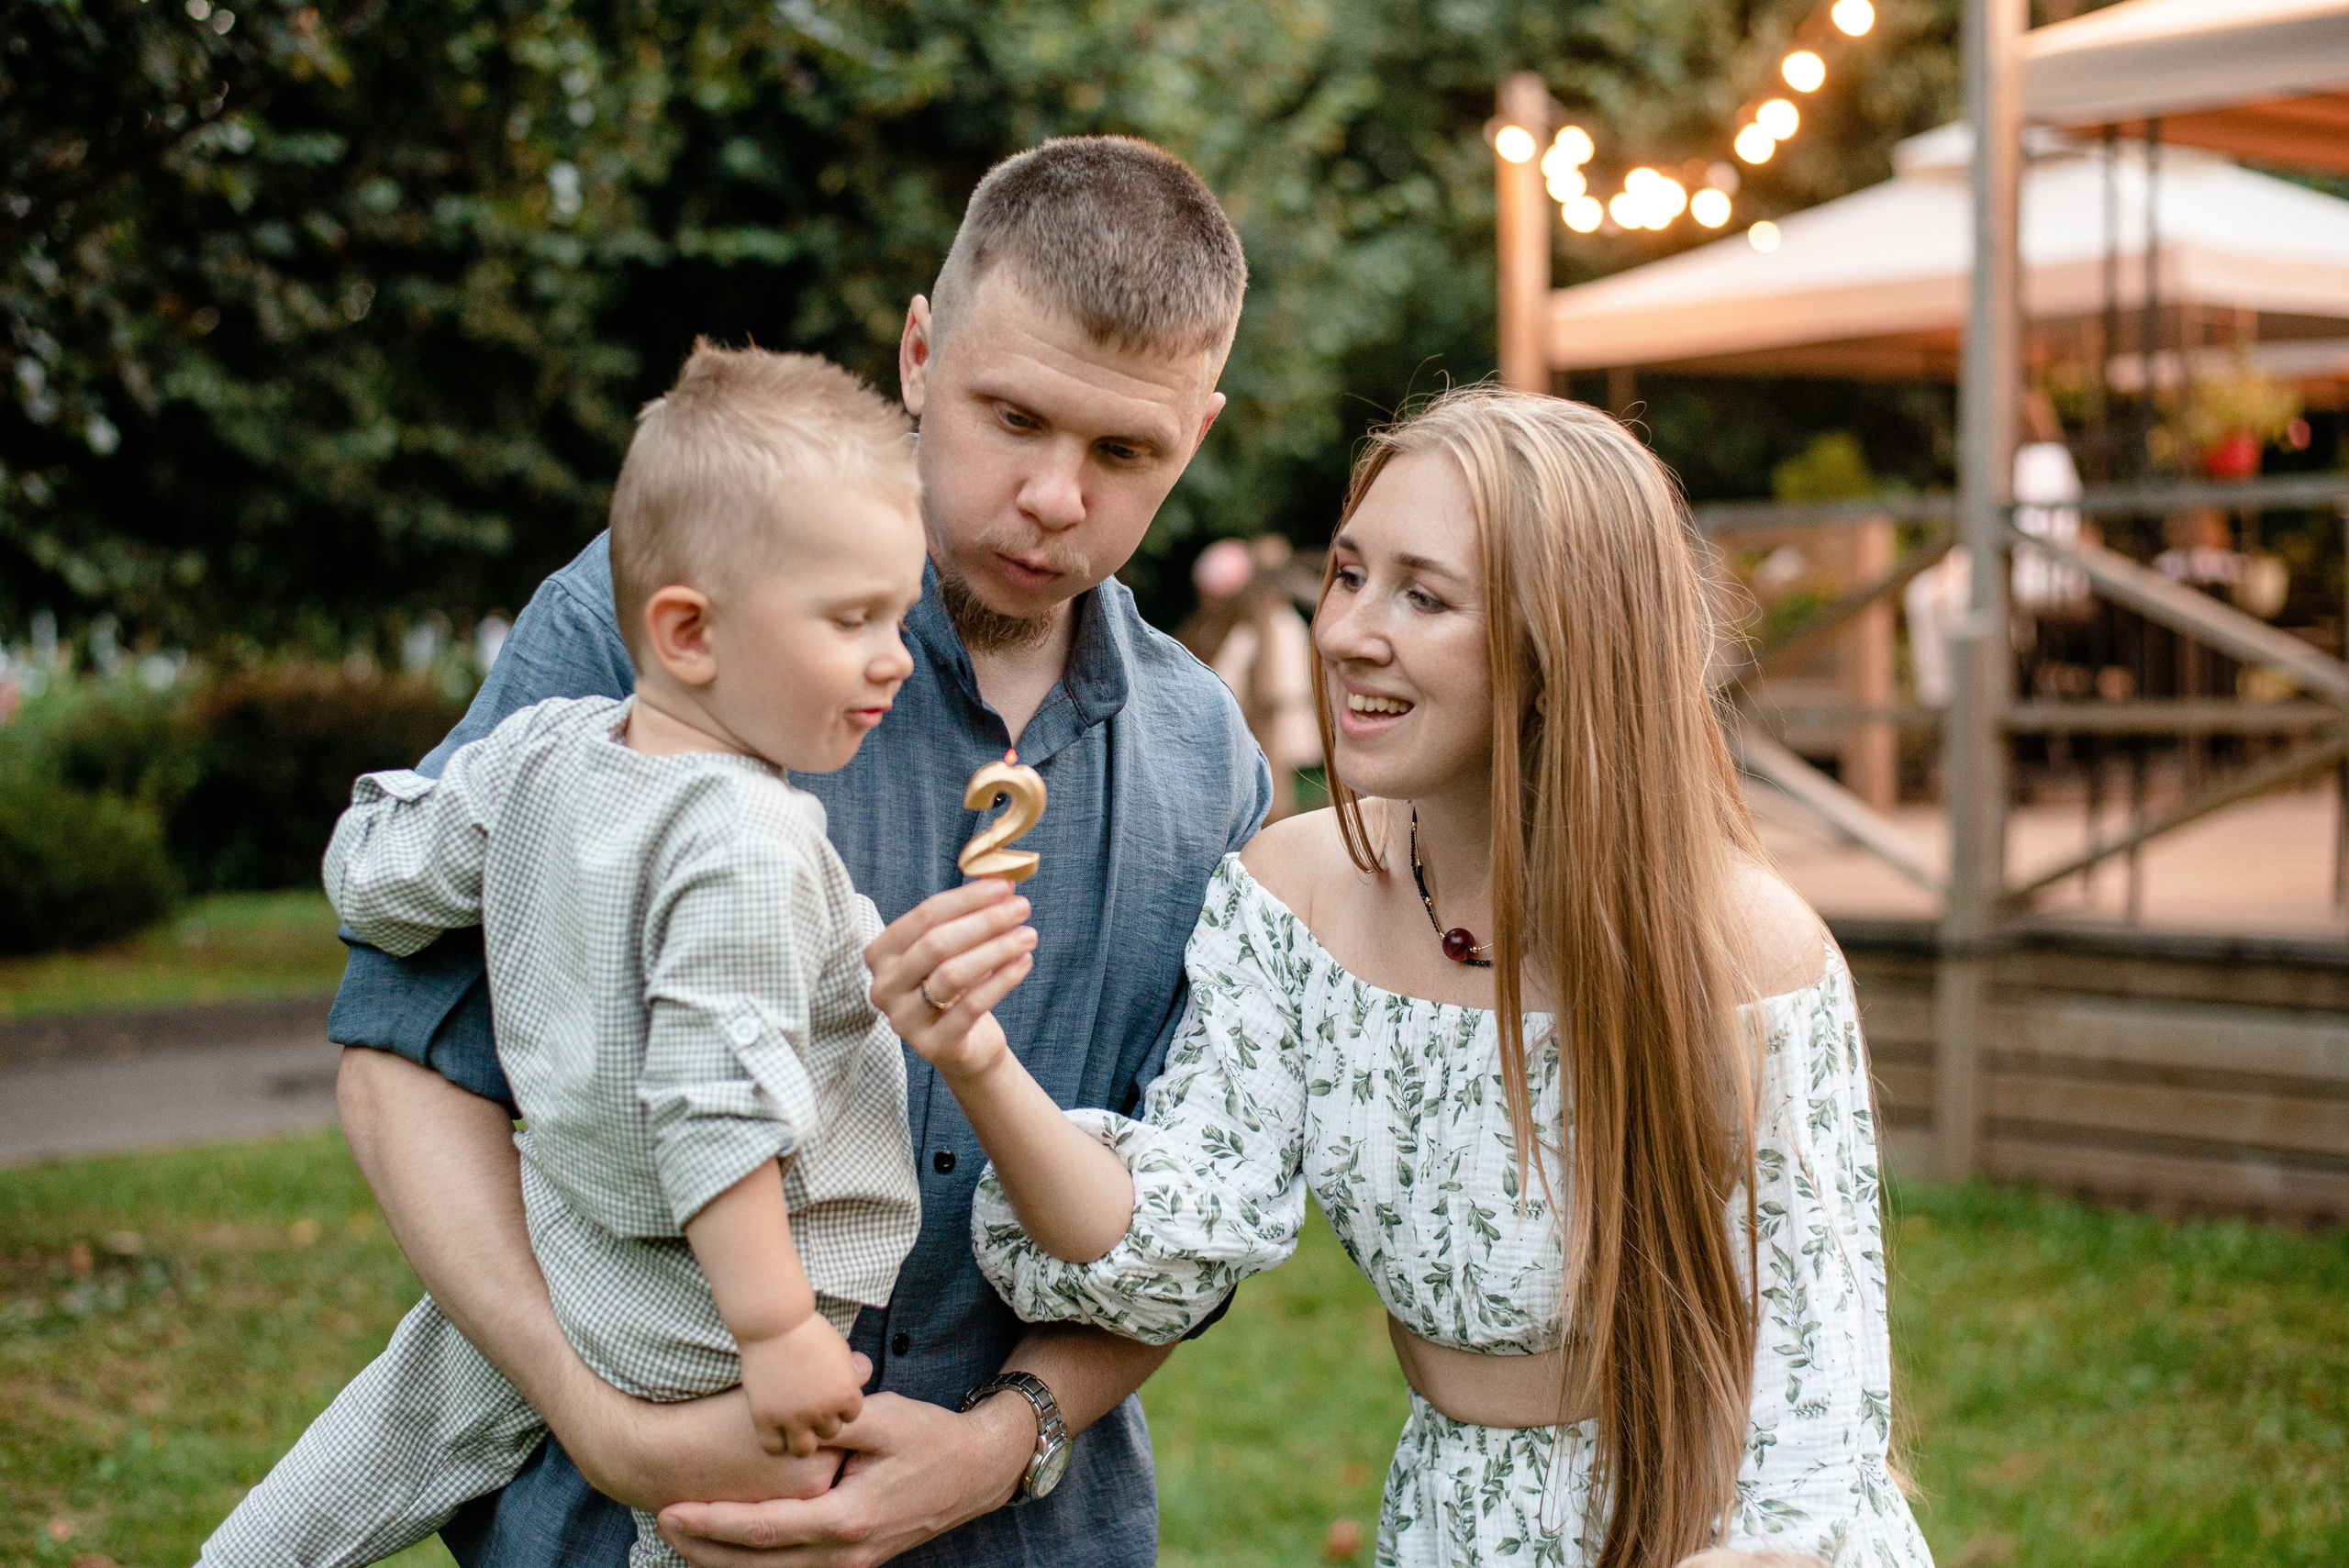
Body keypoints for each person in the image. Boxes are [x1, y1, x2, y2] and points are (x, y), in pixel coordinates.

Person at [323, 136, 1268, 1567]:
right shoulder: (671, 624)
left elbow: (1194, 1219)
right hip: (616, 1517)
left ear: (1198, 429)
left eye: (1124, 449)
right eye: (1013, 416)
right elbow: (404, 1054)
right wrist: (602, 1420)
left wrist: (991, 1448)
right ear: (918, 353)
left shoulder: (1210, 767)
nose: (1057, 496)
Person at [919, 386, 1934, 1566]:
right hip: (1450, 1515)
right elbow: (1165, 1244)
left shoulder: (1747, 951)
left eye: (1424, 595)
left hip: (1711, 1525)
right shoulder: (1293, 895)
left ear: (1564, 642)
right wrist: (979, 1060)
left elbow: (1819, 1407)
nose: (1348, 630)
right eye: (1348, 575)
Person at [204, 347, 947, 1566]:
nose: (895, 659)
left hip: (564, 1240)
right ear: (690, 630)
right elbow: (719, 1103)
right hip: (704, 1320)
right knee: (729, 1536)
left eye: (900, 617)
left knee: (381, 1443)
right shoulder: (750, 835)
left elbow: (379, 878)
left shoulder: (540, 748)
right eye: (853, 619)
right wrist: (774, 1333)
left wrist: (372, 854)